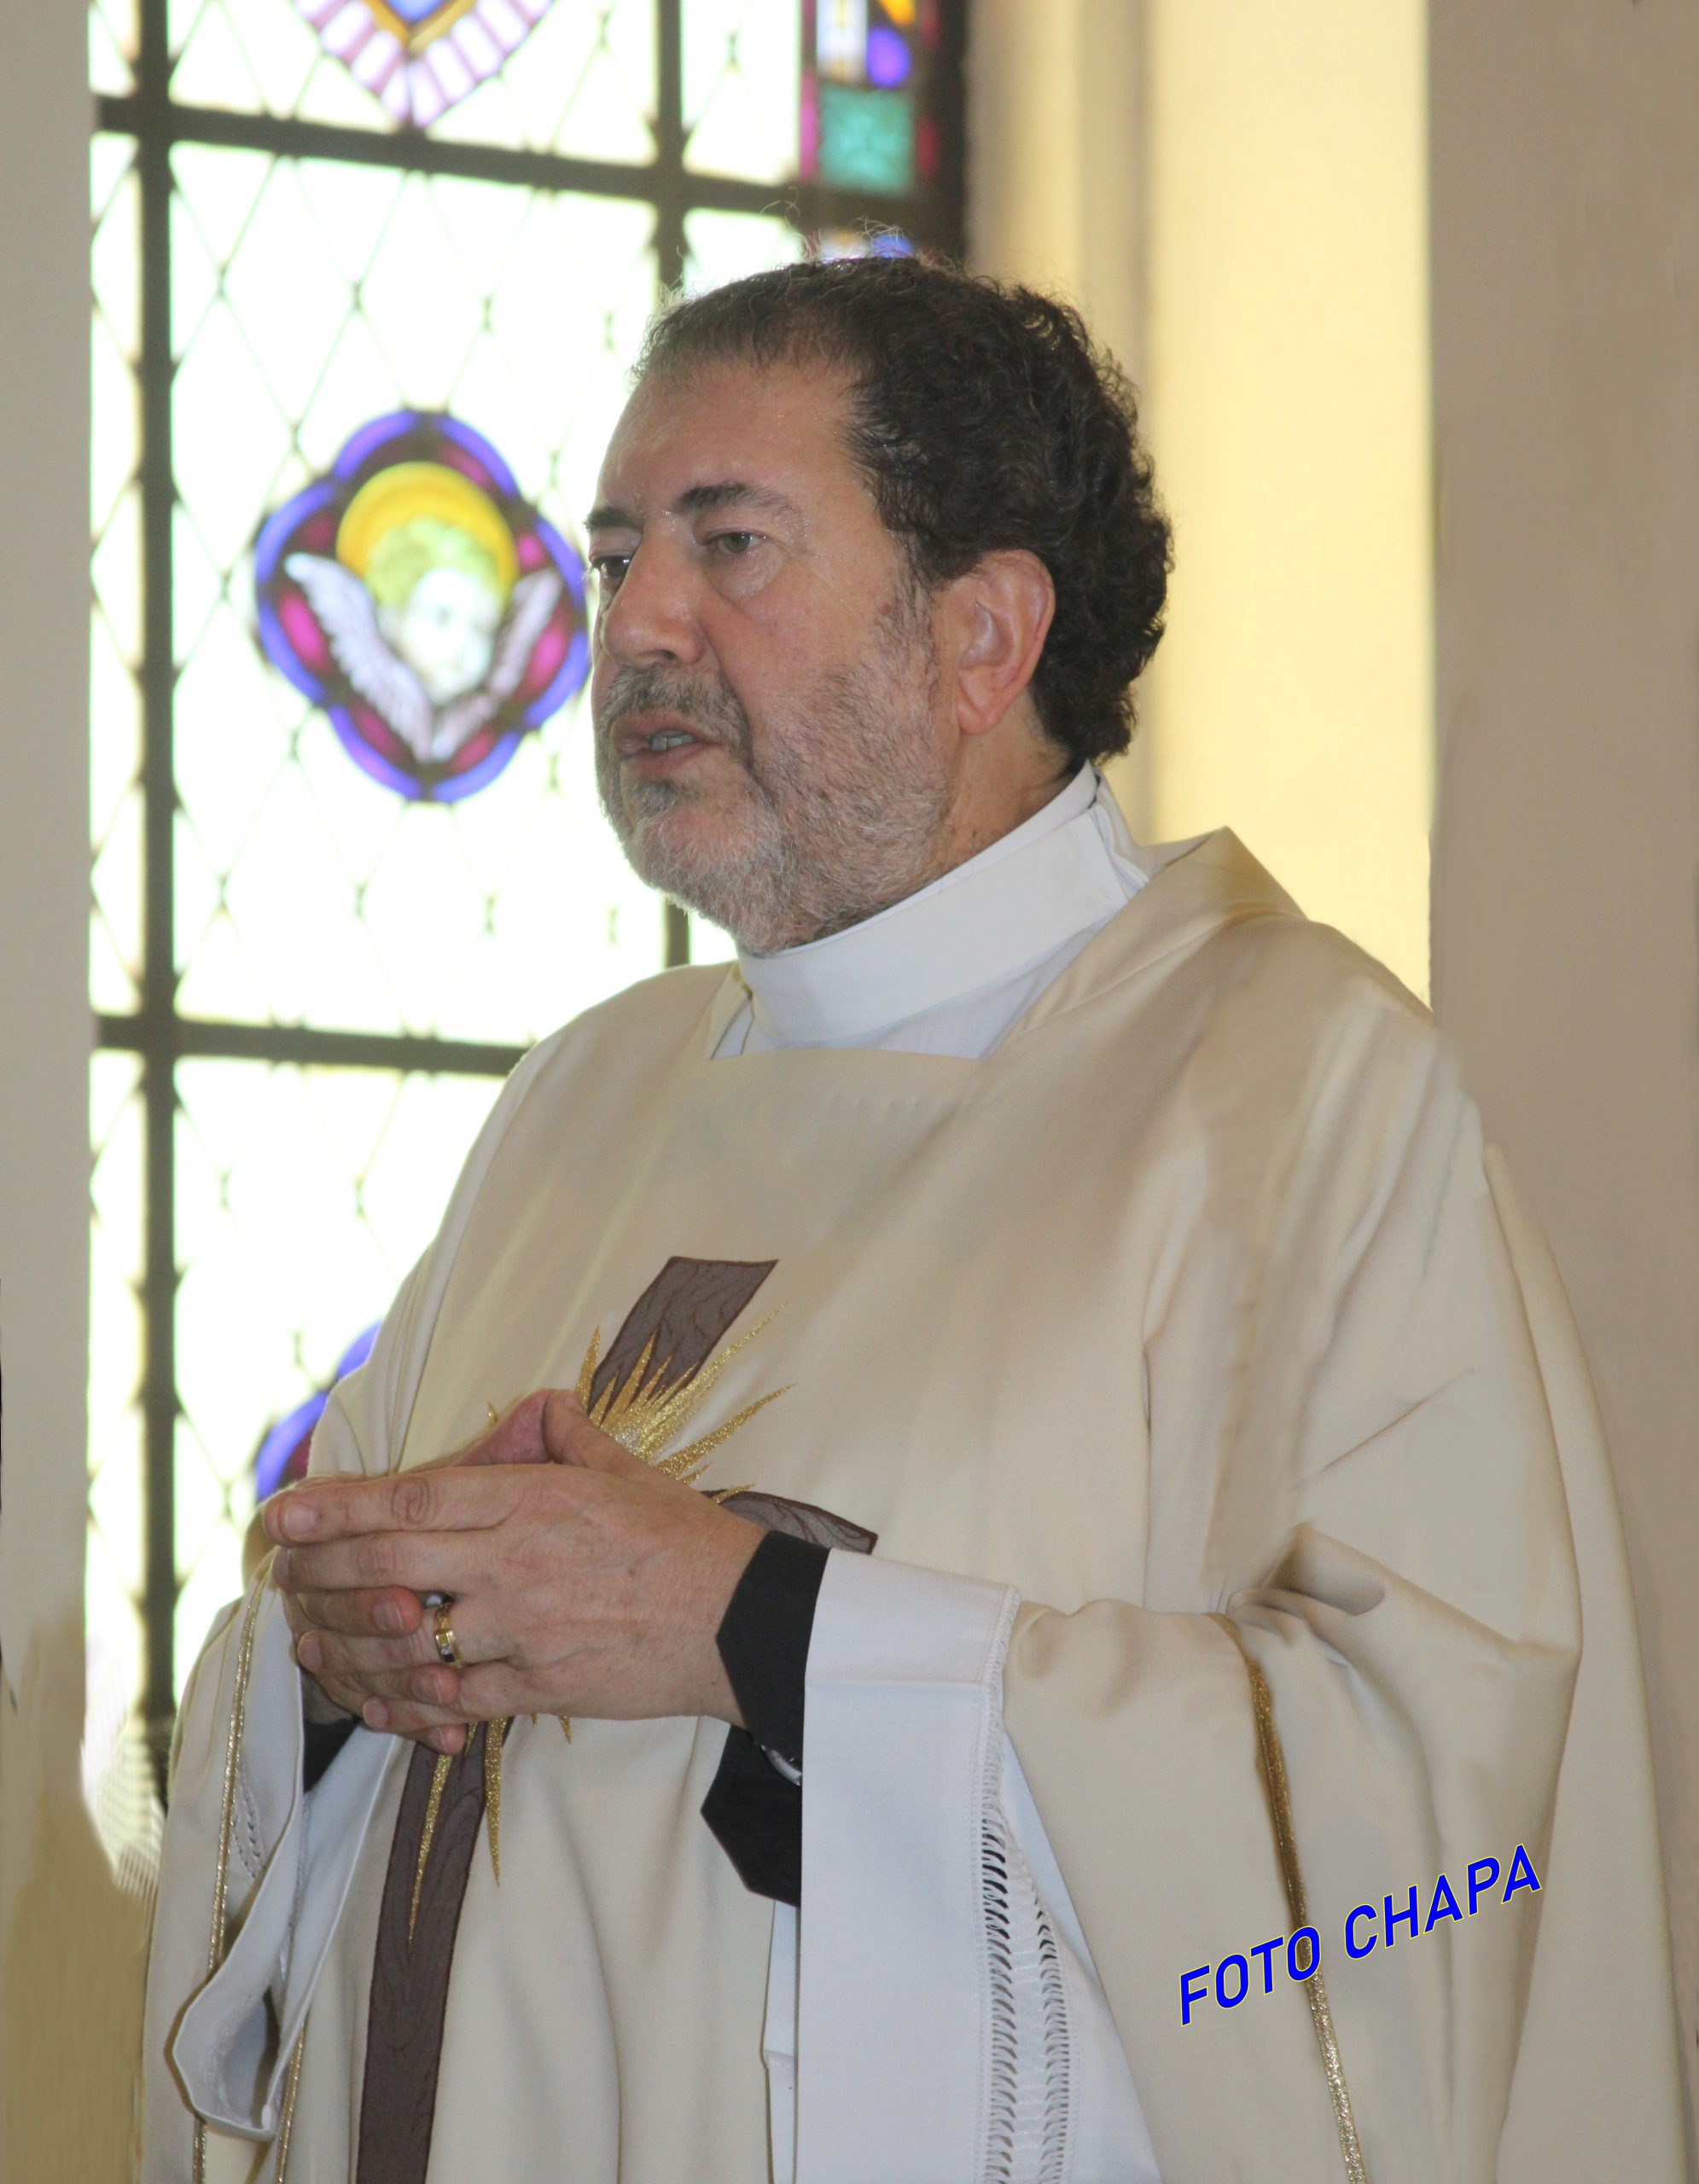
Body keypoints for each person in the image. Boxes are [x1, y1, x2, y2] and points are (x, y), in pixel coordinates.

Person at [142, 258, 1687, 2184]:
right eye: (617, 556)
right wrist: (331, 1654)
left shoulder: (1288, 1094)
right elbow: (330, 1690)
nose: (637, 626)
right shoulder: (582, 1098)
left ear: (982, 635)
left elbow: (1437, 1837)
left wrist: (755, 1624)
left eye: (730, 544)